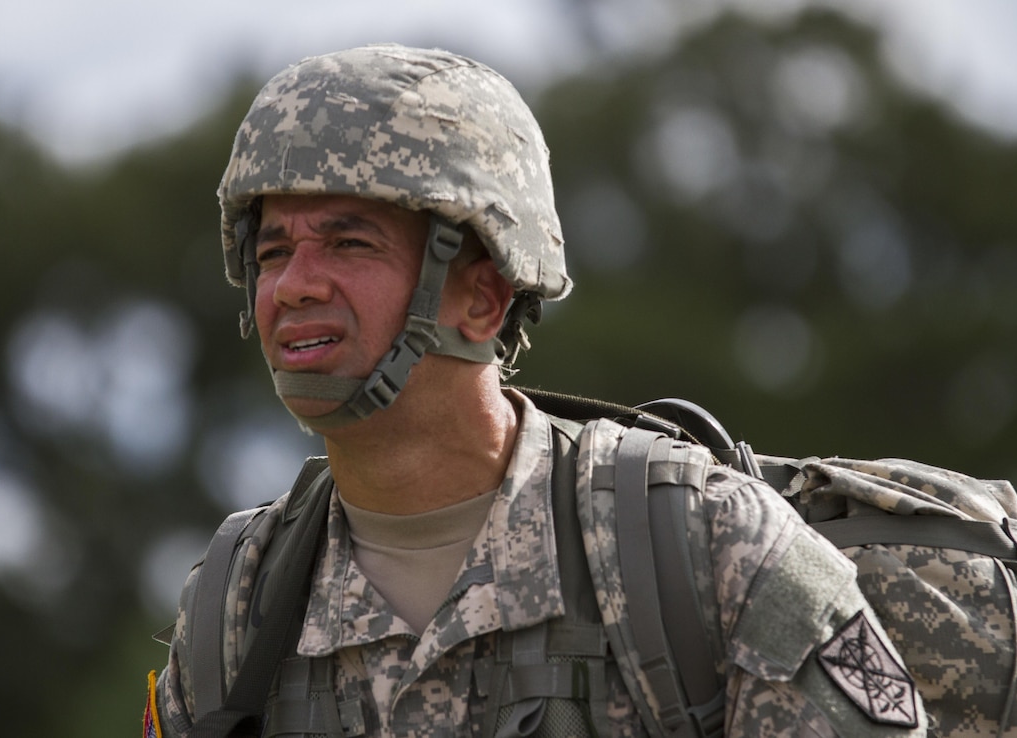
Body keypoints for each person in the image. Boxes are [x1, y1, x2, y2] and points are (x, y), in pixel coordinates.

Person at [147, 43, 925, 738]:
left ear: (483, 298)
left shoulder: (702, 553)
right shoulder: (234, 607)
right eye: (275, 250)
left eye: (350, 243)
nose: (292, 286)